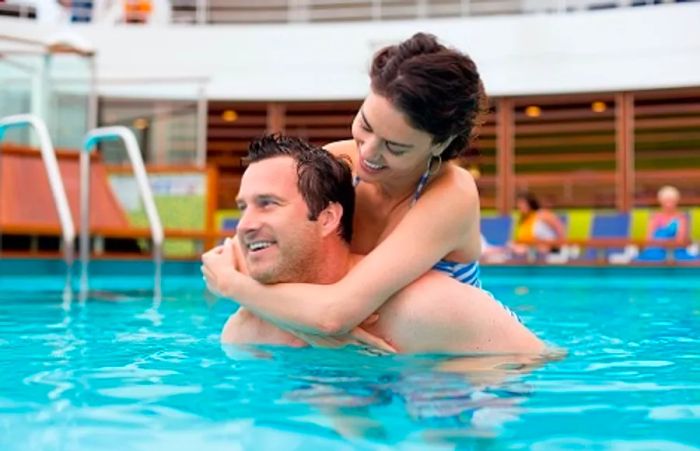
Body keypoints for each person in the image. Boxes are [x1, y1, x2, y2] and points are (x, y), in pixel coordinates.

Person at [202, 32, 495, 338]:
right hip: (366, 358)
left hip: (448, 366)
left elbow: (334, 315)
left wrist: (232, 286)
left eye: (395, 146)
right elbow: (246, 255)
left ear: (440, 144)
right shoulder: (339, 158)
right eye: (365, 125)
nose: (367, 153)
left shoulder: (451, 195)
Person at [207, 135, 544, 355]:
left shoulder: (422, 308)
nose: (245, 224)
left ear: (327, 219)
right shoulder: (246, 332)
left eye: (267, 203)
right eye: (243, 207)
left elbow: (538, 361)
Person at [510, 192, 566, 257]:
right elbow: (521, 239)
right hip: (527, 252)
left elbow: (561, 232)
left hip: (546, 251)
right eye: (518, 203)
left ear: (530, 203)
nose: (519, 206)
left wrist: (557, 249)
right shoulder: (522, 220)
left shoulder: (543, 214)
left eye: (522, 203)